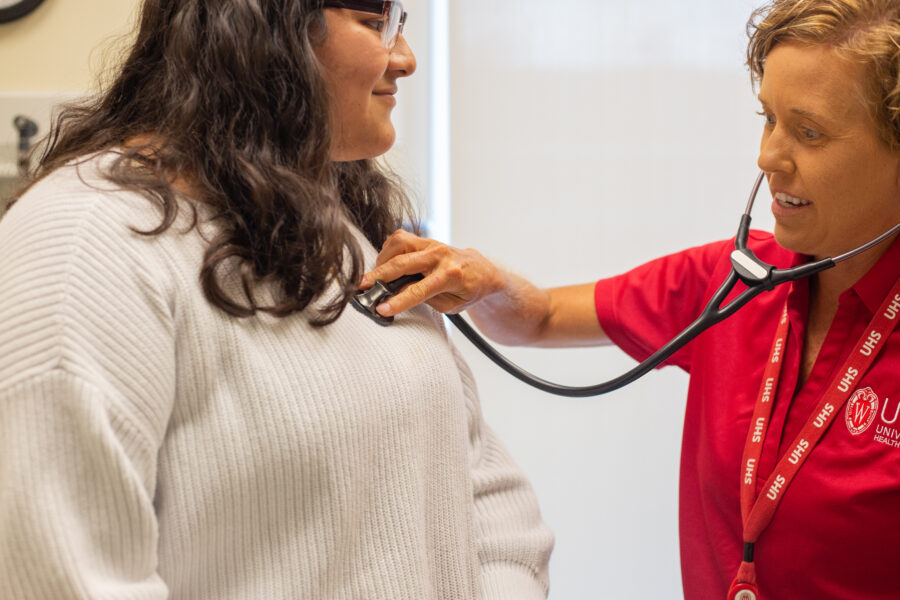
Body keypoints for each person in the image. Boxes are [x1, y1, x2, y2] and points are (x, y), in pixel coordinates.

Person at [0, 1, 554, 599]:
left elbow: (488, 498)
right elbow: (64, 576)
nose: (406, 59)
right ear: (266, 27)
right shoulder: (86, 241)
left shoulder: (341, 228)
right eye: (378, 23)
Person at [362, 0, 900, 597]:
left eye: (809, 132)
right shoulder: (734, 281)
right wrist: (482, 281)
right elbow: (538, 318)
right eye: (767, 118)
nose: (768, 157)